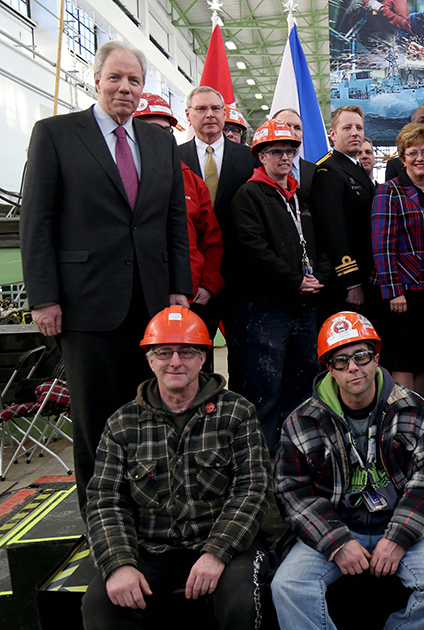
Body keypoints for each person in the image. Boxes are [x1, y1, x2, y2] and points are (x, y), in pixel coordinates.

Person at [20, 41, 191, 511]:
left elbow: (174, 221)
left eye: (134, 80)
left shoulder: (159, 142)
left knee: (151, 413)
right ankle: (102, 522)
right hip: (84, 304)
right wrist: (44, 297)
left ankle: (149, 509)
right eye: (115, 78)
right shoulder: (54, 134)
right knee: (96, 422)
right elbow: (38, 222)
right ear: (96, 80)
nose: (124, 88)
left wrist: (179, 288)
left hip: (152, 304)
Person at [271, 312, 424, 630]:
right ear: (328, 368)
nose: (353, 368)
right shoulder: (302, 420)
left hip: (403, 522)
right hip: (337, 523)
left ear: (376, 358)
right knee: (287, 587)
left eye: (361, 356)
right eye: (341, 361)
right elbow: (292, 491)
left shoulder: (414, 409)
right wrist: (336, 542)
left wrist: (399, 537)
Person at [81, 306, 271, 630]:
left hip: (222, 543)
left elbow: (253, 489)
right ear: (150, 359)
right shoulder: (122, 424)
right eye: (164, 352)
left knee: (244, 601)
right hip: (150, 548)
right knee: (100, 604)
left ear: (202, 358)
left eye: (186, 352)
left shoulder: (237, 413)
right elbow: (105, 501)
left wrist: (217, 553)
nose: (175, 361)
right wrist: (118, 565)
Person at [228, 119, 330, 452]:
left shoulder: (301, 195)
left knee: (303, 387)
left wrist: (321, 278)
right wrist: (294, 281)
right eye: (275, 152)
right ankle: (263, 465)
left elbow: (322, 246)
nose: (284, 158)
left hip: (305, 307)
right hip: (267, 310)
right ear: (261, 156)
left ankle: (298, 459)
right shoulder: (249, 195)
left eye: (289, 151)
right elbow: (253, 249)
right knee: (265, 391)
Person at [133, 94, 224, 371]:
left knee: (194, 373)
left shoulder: (191, 181)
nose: (156, 136)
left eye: (164, 130)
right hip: (138, 299)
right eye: (148, 127)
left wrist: (208, 285)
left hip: (192, 300)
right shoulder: (120, 180)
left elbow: (211, 239)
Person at [179, 86, 258, 393]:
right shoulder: (172, 158)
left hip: (241, 275)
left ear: (226, 114)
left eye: (216, 108)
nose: (209, 115)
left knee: (244, 355)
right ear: (188, 115)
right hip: (193, 279)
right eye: (201, 109)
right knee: (194, 353)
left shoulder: (249, 159)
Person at [372, 123, 424, 393]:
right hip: (403, 296)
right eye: (412, 152)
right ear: (402, 158)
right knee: (403, 363)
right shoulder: (390, 191)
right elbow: (381, 245)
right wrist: (393, 291)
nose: (419, 158)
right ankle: (402, 428)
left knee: (423, 361)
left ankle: (420, 425)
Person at [313, 106, 377, 321]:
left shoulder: (357, 169)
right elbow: (334, 232)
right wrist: (352, 282)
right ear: (333, 134)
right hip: (345, 282)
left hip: (368, 275)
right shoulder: (328, 171)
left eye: (359, 128)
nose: (355, 133)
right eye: (347, 127)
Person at [273, 108, 318, 200]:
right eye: (286, 126)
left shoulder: (316, 172)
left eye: (297, 128)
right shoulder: (257, 168)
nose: (292, 132)